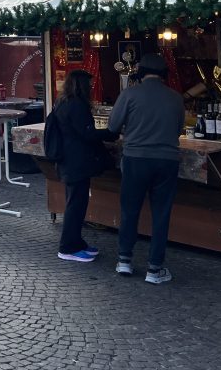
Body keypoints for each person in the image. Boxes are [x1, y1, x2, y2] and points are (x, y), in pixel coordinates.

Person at [107, 53, 185, 284]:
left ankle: (124, 260)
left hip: (135, 158)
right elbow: (179, 129)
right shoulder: (176, 98)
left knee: (130, 210)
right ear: (163, 74)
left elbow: (113, 126)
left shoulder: (130, 94)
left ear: (140, 73)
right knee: (161, 214)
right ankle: (154, 268)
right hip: (167, 160)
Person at [51, 70, 117, 263]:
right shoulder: (77, 105)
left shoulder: (62, 102)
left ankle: (76, 242)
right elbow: (87, 133)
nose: (92, 88)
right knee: (76, 205)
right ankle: (68, 247)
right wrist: (111, 133)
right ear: (82, 86)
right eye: (90, 85)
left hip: (68, 160)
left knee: (75, 203)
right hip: (77, 162)